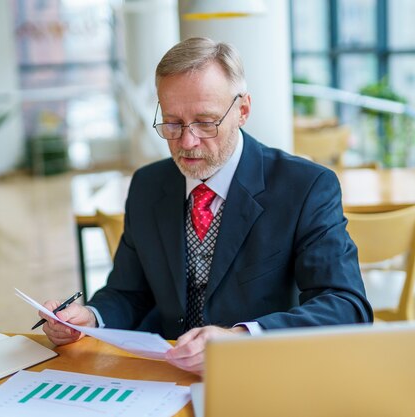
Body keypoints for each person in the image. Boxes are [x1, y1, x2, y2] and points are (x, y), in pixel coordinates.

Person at [39, 37, 373, 375]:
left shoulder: (305, 187)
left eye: (205, 121)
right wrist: (91, 317)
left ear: (242, 110)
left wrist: (242, 337)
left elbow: (347, 306)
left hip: (264, 373)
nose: (187, 141)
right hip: (167, 376)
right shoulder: (147, 185)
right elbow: (129, 292)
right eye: (172, 122)